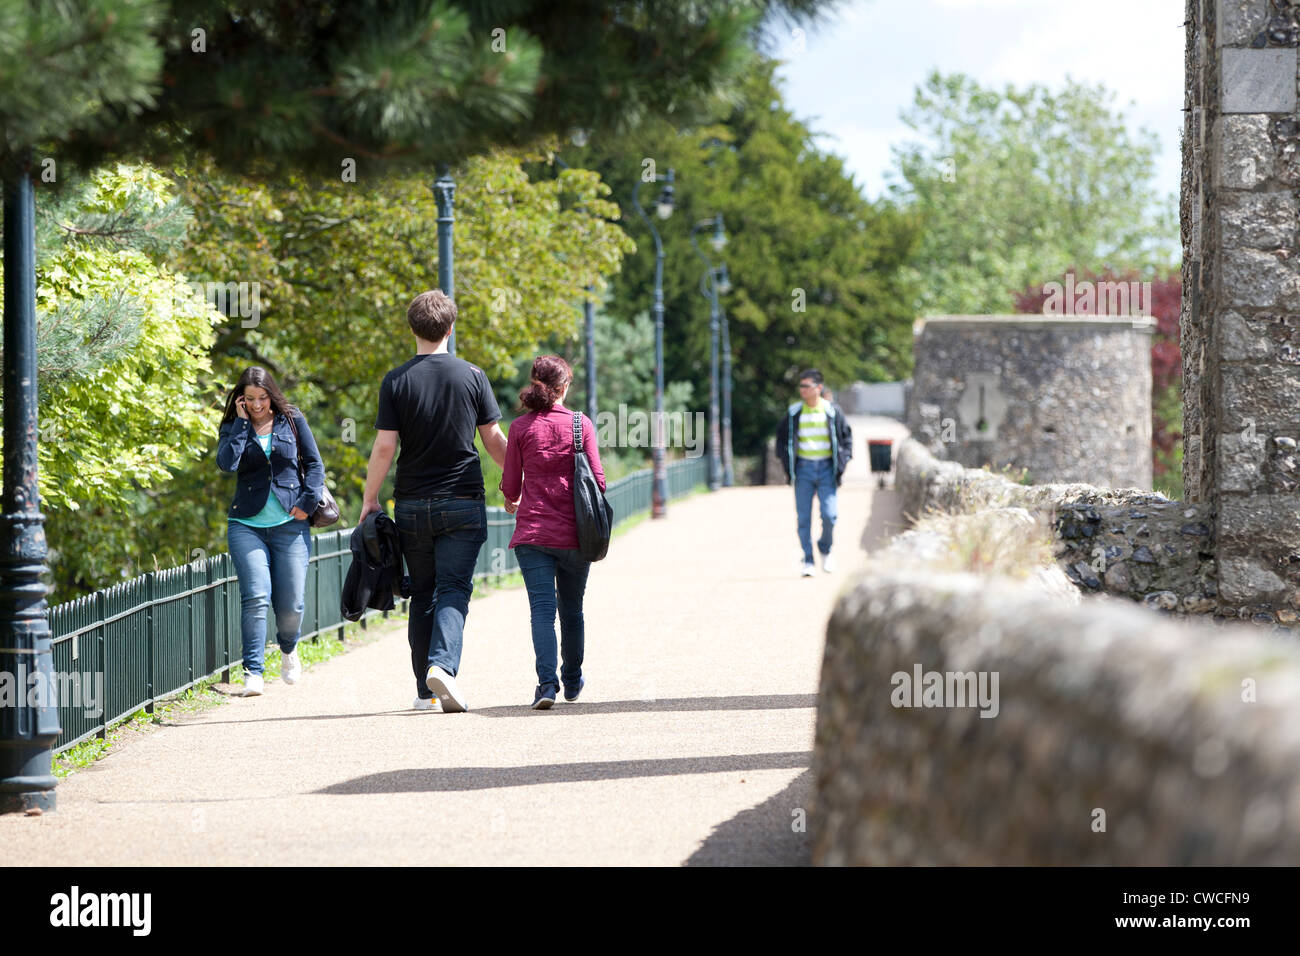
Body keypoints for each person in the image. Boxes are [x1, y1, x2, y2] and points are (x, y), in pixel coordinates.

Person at [359, 290, 508, 713]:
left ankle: (425, 691)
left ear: (412, 329)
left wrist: (371, 499)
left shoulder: (396, 380)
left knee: (422, 592)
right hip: (462, 500)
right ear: (450, 327)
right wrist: (516, 482)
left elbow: (385, 447)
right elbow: (493, 440)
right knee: (454, 587)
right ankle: (443, 666)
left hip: (411, 504)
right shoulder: (472, 376)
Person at [499, 356, 605, 710]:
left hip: (533, 535)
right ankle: (572, 679)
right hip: (576, 534)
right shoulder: (580, 424)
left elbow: (511, 484)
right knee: (572, 610)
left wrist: (511, 500)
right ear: (564, 387)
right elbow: (599, 481)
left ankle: (546, 685)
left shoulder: (520, 428)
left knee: (541, 612)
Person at [216, 367, 325, 696]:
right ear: (241, 399)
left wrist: (307, 502)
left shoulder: (292, 419)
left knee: (292, 603)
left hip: (290, 525)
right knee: (256, 596)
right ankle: (253, 671)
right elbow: (227, 464)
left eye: (262, 398)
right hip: (246, 524)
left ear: (271, 395)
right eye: (250, 399)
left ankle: (289, 649)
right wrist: (241, 424)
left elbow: (315, 464)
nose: (257, 404)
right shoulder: (235, 425)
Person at [775, 368, 852, 577]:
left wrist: (842, 463)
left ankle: (825, 549)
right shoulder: (794, 413)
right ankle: (808, 560)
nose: (802, 390)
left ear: (819, 388)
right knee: (803, 518)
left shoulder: (832, 411)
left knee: (829, 515)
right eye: (800, 386)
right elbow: (781, 440)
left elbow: (846, 438)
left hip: (827, 468)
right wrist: (787, 462)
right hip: (803, 469)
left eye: (806, 386)